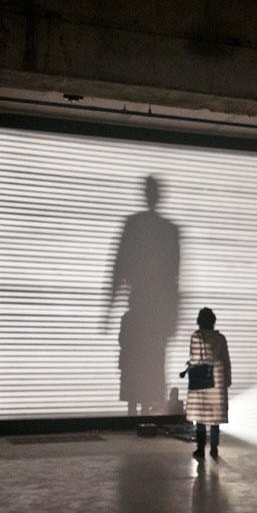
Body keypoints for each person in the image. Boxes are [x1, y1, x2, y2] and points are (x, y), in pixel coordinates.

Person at [106, 175, 181, 415]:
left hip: (143, 309)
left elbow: (119, 268)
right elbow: (173, 277)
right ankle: (145, 412)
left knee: (136, 363)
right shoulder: (169, 230)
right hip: (155, 312)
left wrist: (108, 308)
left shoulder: (134, 225)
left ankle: (135, 413)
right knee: (150, 364)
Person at [186, 307, 231, 459]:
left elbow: (194, 359)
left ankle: (200, 448)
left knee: (200, 417)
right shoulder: (221, 339)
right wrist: (228, 380)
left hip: (201, 380)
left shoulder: (196, 337)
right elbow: (226, 361)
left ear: (199, 321)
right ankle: (214, 449)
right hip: (217, 379)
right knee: (214, 418)